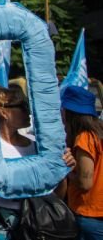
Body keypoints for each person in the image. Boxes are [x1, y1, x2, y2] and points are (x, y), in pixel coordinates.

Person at [0, 86, 76, 239]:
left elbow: (57, 195)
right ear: (4, 112)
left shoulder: (39, 147)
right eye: (22, 105)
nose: (28, 110)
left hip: (39, 224)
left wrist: (61, 170)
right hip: (1, 226)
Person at [61, 86, 103, 239]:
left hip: (90, 213)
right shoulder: (99, 133)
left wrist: (67, 170)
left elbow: (85, 182)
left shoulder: (85, 137)